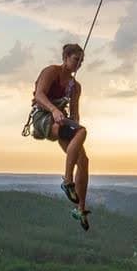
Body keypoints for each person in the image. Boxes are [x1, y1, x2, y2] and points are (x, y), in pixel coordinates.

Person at [30, 43, 91, 230]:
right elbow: (39, 95)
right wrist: (55, 110)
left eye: (81, 61)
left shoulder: (75, 87)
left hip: (61, 120)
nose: (78, 64)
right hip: (43, 117)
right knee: (82, 131)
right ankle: (67, 181)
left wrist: (73, 125)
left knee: (84, 160)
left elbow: (74, 113)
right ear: (65, 57)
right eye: (76, 59)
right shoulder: (51, 72)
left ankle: (79, 209)